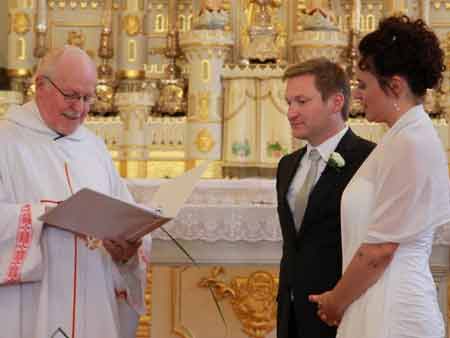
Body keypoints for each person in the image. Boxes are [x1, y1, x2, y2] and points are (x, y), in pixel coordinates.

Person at [309, 15, 450, 338]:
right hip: (375, 299)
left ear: (395, 85)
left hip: (393, 309)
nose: (357, 95)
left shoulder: (411, 142)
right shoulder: (400, 136)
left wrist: (335, 301)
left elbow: (379, 252)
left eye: (363, 84)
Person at [0, 46, 152, 338]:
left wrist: (128, 251)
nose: (79, 108)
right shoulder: (6, 141)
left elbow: (125, 214)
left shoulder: (94, 148)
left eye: (88, 98)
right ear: (40, 86)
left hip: (92, 302)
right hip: (30, 306)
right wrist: (45, 214)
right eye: (71, 95)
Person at [276, 58, 375, 338]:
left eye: (302, 101)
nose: (291, 112)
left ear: (335, 102)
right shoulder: (287, 165)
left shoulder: (369, 159)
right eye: (288, 102)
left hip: (342, 310)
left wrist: (340, 299)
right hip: (292, 313)